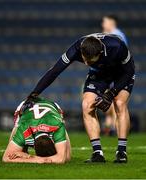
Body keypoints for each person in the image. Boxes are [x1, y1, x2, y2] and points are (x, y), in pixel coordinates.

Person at [20, 33, 135, 163]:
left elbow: (129, 71)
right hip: (99, 74)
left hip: (122, 73)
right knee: (87, 105)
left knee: (119, 103)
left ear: (101, 52)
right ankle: (97, 153)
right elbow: (54, 71)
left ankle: (121, 152)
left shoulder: (117, 46)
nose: (86, 63)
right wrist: (33, 94)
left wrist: (111, 93)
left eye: (90, 61)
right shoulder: (76, 48)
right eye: (84, 59)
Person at [2, 97, 71, 164]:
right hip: (26, 107)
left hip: (52, 108)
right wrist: (39, 159)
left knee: (66, 157)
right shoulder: (24, 128)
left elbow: (61, 159)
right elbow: (6, 157)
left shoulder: (57, 126)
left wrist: (31, 157)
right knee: (15, 153)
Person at [101, 15, 128, 136]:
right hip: (113, 73)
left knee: (117, 103)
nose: (103, 24)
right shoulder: (112, 34)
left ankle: (116, 128)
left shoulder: (117, 35)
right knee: (113, 102)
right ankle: (111, 126)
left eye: (105, 21)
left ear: (112, 22)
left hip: (116, 74)